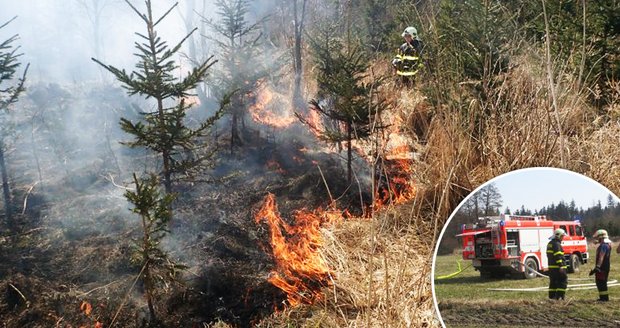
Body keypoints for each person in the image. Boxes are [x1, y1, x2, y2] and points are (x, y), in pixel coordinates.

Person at [589, 229, 612, 301]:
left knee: (601, 283)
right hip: (604, 267)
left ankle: (604, 299)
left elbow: (601, 256)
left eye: (597, 237)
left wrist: (597, 267)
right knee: (601, 282)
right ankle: (603, 298)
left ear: (601, 237)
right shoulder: (606, 244)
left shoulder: (603, 246)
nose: (597, 239)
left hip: (602, 268)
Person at [546, 228, 568, 300]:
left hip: (552, 268)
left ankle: (552, 297)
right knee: (563, 281)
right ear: (559, 236)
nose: (563, 238)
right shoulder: (557, 244)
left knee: (553, 282)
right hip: (558, 268)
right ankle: (559, 296)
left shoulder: (550, 244)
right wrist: (561, 266)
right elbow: (558, 256)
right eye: (562, 236)